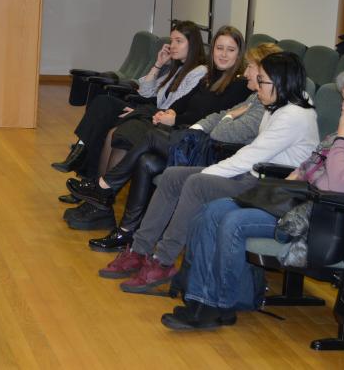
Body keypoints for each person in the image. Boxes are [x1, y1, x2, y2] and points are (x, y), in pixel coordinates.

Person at [162, 67, 344, 331]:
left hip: (327, 219)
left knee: (233, 222)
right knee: (211, 210)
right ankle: (204, 300)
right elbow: (307, 167)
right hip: (301, 201)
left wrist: (342, 136)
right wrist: (279, 192)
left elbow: (339, 184)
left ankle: (219, 304)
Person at [99, 52, 319, 293]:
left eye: (262, 80)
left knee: (196, 183)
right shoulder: (279, 103)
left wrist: (208, 173)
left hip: (271, 188)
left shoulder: (293, 116)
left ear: (280, 82)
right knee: (173, 176)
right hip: (255, 177)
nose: (257, 85)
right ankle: (139, 250)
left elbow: (252, 155)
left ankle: (163, 261)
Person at [80, 43, 281, 250]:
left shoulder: (262, 104)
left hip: (219, 156)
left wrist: (226, 117)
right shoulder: (253, 97)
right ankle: (126, 232)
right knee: (147, 161)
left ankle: (105, 186)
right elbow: (216, 117)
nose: (246, 72)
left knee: (150, 137)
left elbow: (223, 130)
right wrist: (214, 122)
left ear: (264, 71)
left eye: (249, 67)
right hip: (206, 144)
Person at [64, 26, 250, 230]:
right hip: (180, 129)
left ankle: (100, 196)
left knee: (128, 133)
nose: (223, 54)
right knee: (122, 135)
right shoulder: (209, 78)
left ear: (239, 54)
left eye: (230, 50)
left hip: (196, 141)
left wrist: (174, 118)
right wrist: (170, 113)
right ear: (212, 49)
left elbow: (212, 116)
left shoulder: (239, 85)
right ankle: (100, 204)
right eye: (219, 48)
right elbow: (183, 102)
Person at [52, 21, 208, 182]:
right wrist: (158, 64)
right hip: (150, 111)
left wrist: (140, 112)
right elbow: (145, 91)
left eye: (179, 41)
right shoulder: (178, 69)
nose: (172, 45)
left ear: (193, 44)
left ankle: (87, 176)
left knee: (107, 122)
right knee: (103, 103)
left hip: (159, 119)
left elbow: (173, 106)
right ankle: (79, 156)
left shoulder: (199, 71)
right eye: (172, 40)